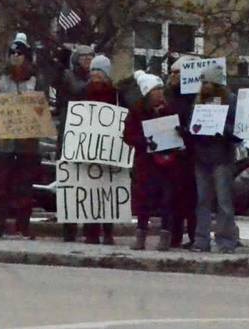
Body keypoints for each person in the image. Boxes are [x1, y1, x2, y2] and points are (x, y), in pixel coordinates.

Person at [0, 35, 43, 240]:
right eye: (12, 53)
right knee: (1, 185)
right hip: (4, 142)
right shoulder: (1, 78)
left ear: (27, 57)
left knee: (24, 186)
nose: (15, 57)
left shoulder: (35, 79)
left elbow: (42, 106)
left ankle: (23, 227)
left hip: (27, 143)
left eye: (19, 53)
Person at [124, 71, 179, 250]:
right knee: (144, 200)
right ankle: (141, 234)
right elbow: (128, 136)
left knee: (167, 200)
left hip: (167, 163)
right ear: (148, 93)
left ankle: (165, 236)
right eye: (156, 90)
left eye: (161, 89)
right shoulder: (137, 111)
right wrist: (145, 140)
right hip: (145, 163)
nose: (160, 93)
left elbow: (178, 132)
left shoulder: (170, 109)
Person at [187, 63, 239, 253]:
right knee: (202, 200)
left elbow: (237, 130)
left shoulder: (230, 101)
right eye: (204, 82)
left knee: (224, 201)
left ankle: (226, 241)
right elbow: (192, 126)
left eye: (209, 82)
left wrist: (221, 129)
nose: (206, 86)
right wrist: (190, 130)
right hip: (202, 157)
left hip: (222, 157)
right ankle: (201, 240)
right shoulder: (198, 102)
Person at [77, 54, 121, 245]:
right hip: (88, 147)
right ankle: (91, 232)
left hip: (109, 148)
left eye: (99, 71)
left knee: (108, 190)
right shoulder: (83, 91)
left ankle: (108, 231)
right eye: (93, 70)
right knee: (90, 189)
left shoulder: (116, 93)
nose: (95, 74)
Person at [164, 63, 198, 248]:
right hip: (173, 153)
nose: (174, 76)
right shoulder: (168, 96)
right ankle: (175, 236)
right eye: (172, 72)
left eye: (178, 72)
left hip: (191, 153)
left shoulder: (194, 98)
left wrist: (186, 132)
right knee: (174, 198)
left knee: (191, 198)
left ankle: (193, 236)